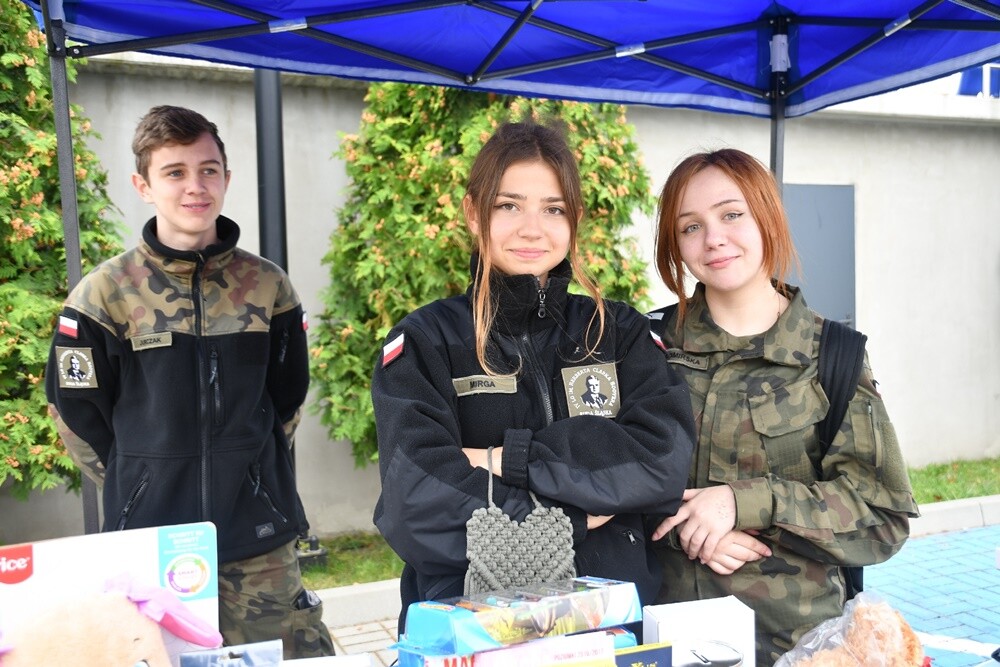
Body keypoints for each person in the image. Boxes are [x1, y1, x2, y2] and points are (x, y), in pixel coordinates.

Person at [371, 121, 696, 630]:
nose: (531, 228)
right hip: (475, 634)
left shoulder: (619, 332)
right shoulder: (425, 342)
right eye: (509, 206)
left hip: (613, 630)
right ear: (473, 213)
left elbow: (660, 462)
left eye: (553, 209)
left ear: (575, 218)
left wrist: (506, 459)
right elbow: (417, 504)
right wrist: (573, 519)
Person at [45, 105, 334, 659]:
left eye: (208, 170)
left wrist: (251, 472)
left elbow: (286, 401)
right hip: (151, 545)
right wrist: (140, 482)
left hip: (258, 540)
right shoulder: (103, 295)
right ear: (144, 186)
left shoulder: (267, 285)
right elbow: (76, 416)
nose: (195, 186)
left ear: (226, 177)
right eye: (174, 172)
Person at [646, 148, 919, 666]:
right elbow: (601, 478)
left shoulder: (831, 355)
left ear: (767, 218)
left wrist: (744, 503)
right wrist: (688, 528)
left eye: (732, 214)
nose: (713, 238)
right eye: (690, 226)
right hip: (662, 636)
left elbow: (882, 516)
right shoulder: (648, 345)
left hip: (797, 647)